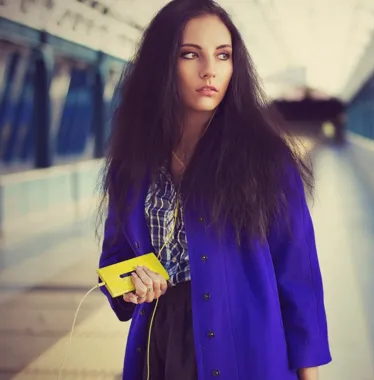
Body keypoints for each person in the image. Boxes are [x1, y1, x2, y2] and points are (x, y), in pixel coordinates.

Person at [96, 0, 332, 379]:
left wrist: (309, 376)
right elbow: (113, 261)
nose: (210, 71)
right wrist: (131, 282)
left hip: (247, 352)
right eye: (190, 54)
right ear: (161, 63)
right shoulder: (133, 163)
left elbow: (298, 279)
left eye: (223, 56)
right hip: (157, 350)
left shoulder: (266, 160)